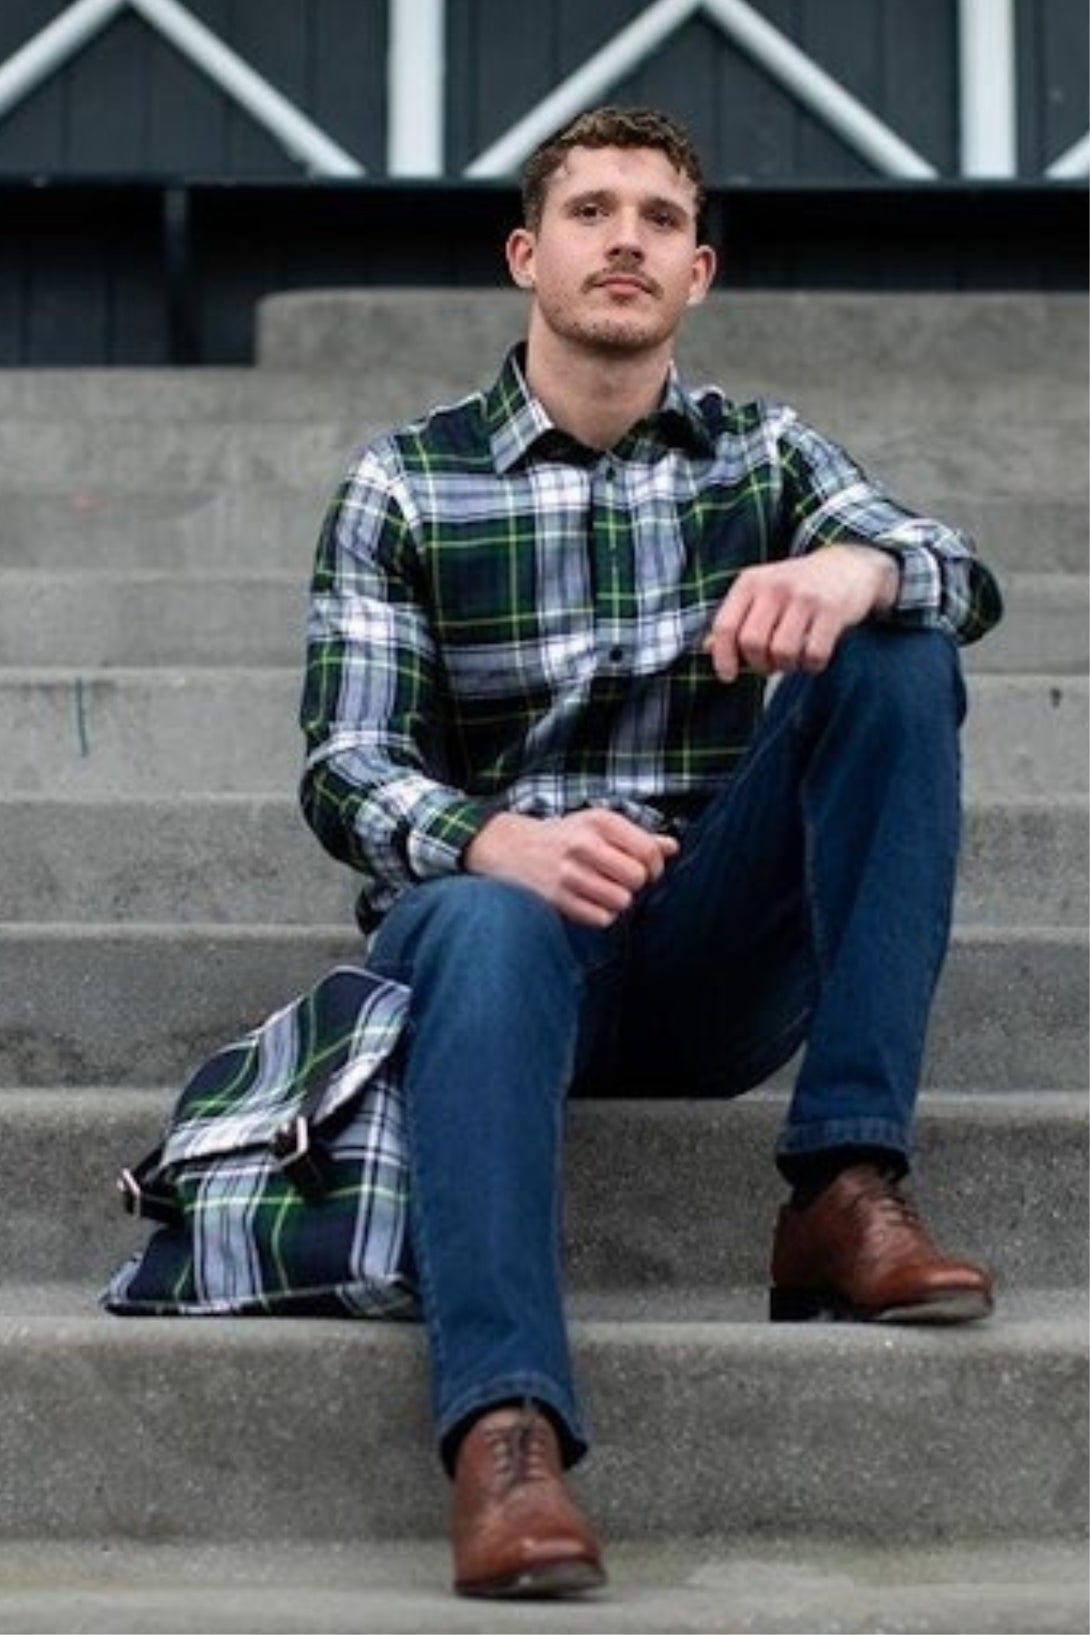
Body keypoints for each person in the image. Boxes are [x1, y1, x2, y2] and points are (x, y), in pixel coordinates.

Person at [298, 105, 1003, 1600]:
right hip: (497, 941)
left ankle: (840, 1187)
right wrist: (496, 840)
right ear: (525, 254)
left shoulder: (766, 452)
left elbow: (957, 572)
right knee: (478, 924)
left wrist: (856, 561)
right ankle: (505, 1438)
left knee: (892, 655)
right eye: (590, 209)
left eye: (659, 219)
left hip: (703, 948)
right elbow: (345, 764)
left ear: (696, 273)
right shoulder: (407, 483)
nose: (625, 236)